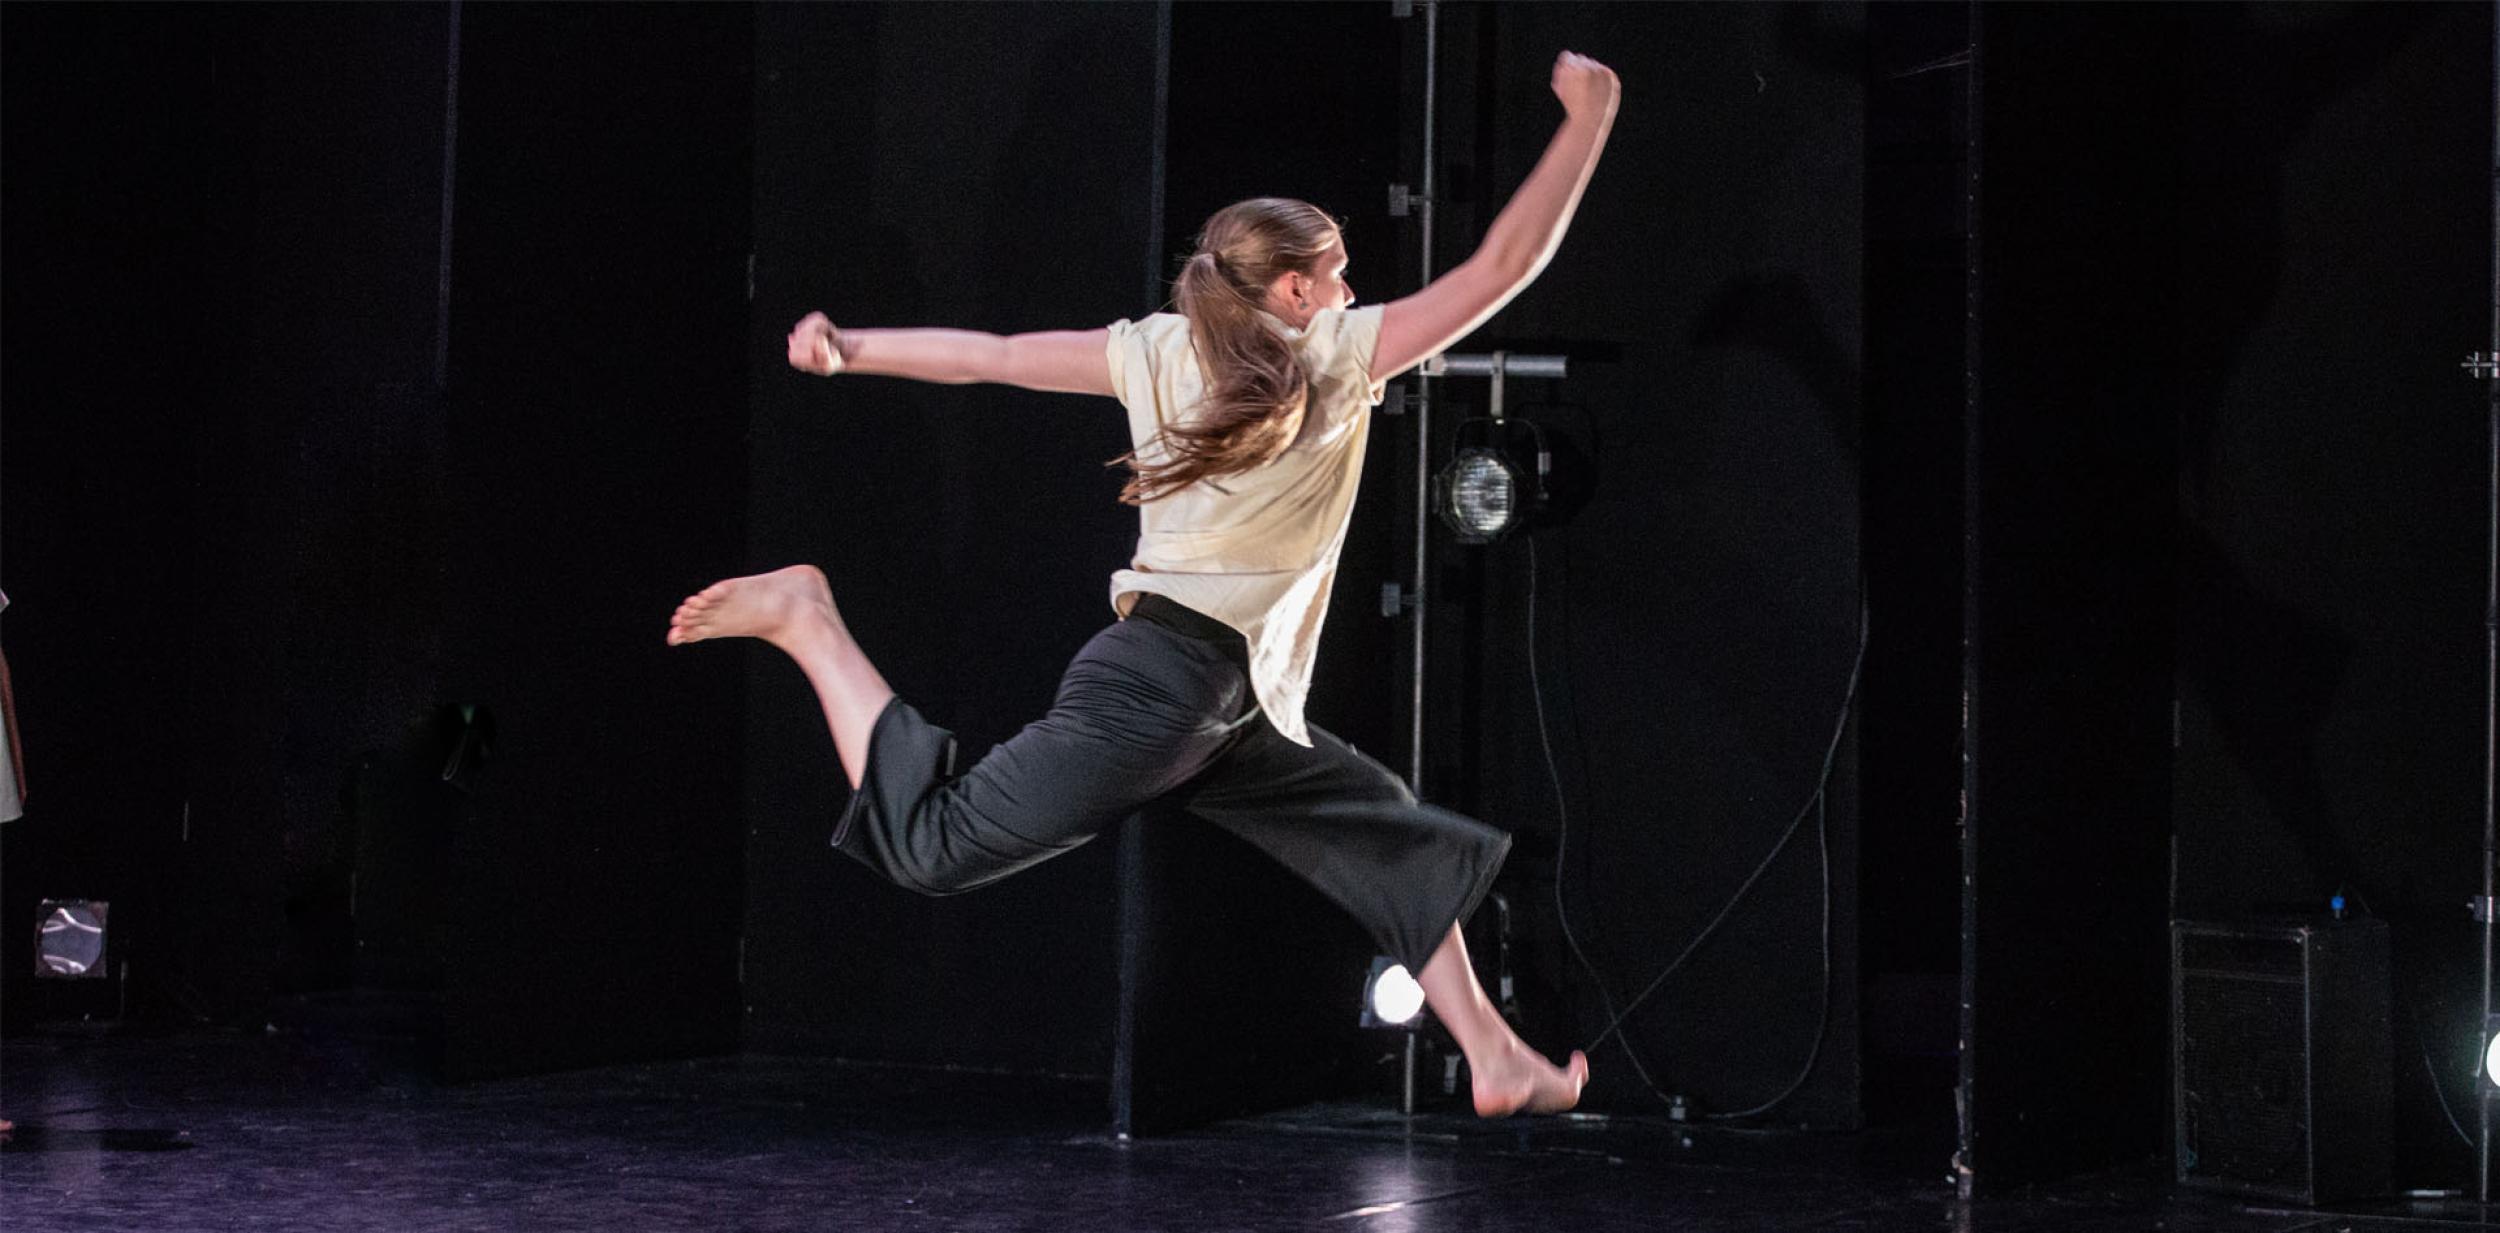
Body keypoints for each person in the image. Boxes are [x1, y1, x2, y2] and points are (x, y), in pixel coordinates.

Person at [671, 51, 1619, 1117]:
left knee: (1384, 830)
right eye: (1340, 273)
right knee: (931, 846)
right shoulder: (1338, 352)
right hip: (1164, 685)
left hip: (1232, 694)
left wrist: (857, 348)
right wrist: (1589, 119)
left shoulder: (1155, 350)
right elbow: (1505, 263)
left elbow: (994, 355)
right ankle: (809, 619)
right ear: (1296, 290)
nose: (1353, 290)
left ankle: (1492, 1056)